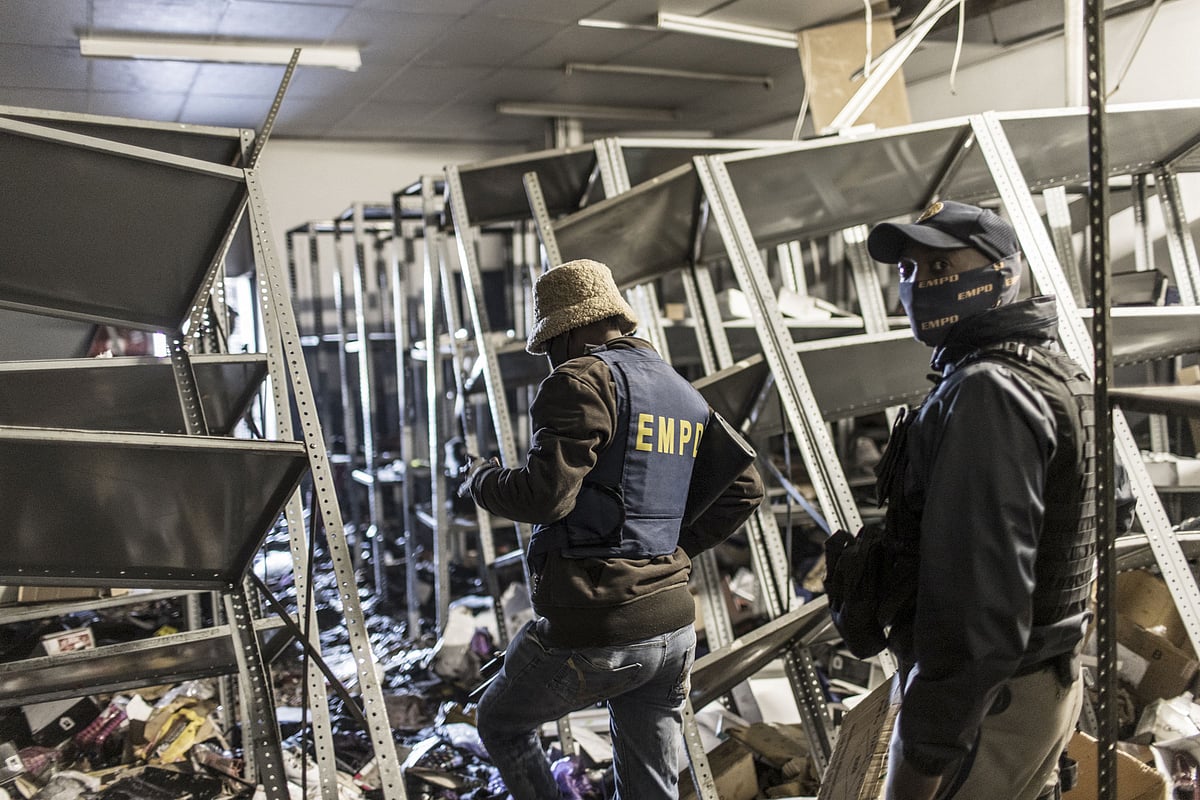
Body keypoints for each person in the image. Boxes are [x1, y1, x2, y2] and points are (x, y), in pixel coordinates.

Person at [458, 258, 764, 800]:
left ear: (570, 331)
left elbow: (546, 496)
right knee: (650, 790)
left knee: (499, 722)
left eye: (550, 345)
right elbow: (745, 488)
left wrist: (482, 480)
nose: (552, 358)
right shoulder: (679, 389)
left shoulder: (580, 378)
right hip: (672, 629)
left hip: (599, 627)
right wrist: (665, 547)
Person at [859, 201, 1097, 800]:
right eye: (908, 270)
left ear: (1003, 275)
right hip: (1038, 680)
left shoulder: (986, 391)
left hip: (990, 703)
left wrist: (922, 756)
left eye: (941, 268)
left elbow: (976, 611)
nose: (918, 285)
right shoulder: (1055, 371)